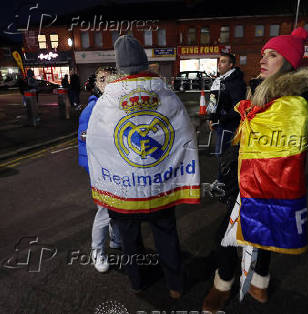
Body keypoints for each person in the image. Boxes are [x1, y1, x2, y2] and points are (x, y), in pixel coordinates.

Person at [202, 27, 308, 312]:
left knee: (245, 236)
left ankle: (241, 282)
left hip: (270, 180)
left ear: (287, 63)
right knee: (242, 234)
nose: (263, 59)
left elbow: (306, 105)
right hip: (245, 176)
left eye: (272, 55)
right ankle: (237, 282)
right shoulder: (260, 88)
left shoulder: (295, 100)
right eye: (263, 54)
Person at [86, 35, 200, 297]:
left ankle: (138, 282)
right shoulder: (164, 91)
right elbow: (183, 131)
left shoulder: (108, 97)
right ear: (144, 62)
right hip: (160, 185)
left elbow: (97, 141)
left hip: (125, 189)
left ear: (120, 66)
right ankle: (175, 286)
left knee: (129, 240)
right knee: (166, 234)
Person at [78, 66, 122, 273]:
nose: (108, 83)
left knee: (119, 206)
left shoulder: (113, 105)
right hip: (100, 170)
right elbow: (87, 145)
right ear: (95, 83)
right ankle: (97, 252)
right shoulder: (92, 110)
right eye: (103, 80)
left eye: (111, 79)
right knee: (104, 210)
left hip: (115, 167)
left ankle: (115, 239)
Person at [207, 53, 246, 181]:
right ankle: (225, 181)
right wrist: (211, 118)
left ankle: (223, 183)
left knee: (223, 154)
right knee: (222, 154)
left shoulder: (234, 82)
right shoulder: (220, 80)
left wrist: (222, 119)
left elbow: (238, 106)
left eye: (223, 62)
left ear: (231, 65)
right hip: (219, 123)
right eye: (219, 61)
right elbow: (214, 102)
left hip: (228, 124)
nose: (219, 64)